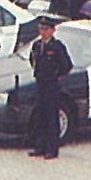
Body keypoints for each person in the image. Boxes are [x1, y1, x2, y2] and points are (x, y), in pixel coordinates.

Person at [28, 16, 73, 160]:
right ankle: (39, 147)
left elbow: (67, 65)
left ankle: (52, 149)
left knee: (51, 117)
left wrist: (56, 75)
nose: (43, 32)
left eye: (46, 29)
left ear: (53, 30)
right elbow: (32, 60)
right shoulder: (36, 45)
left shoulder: (57, 47)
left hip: (52, 85)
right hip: (40, 83)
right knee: (39, 116)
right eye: (41, 29)